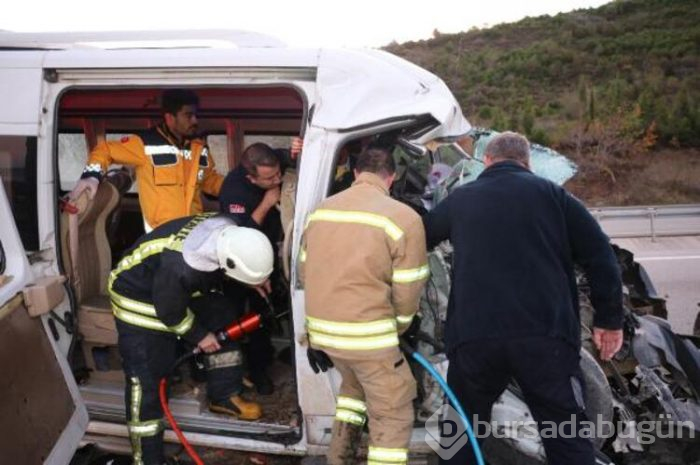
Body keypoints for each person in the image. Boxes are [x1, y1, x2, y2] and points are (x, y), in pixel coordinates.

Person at [422, 132, 624, 465]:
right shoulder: (555, 197)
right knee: (565, 433)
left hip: (476, 339)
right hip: (544, 338)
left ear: (487, 160)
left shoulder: (462, 199)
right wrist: (609, 321)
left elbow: (420, 236)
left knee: (462, 433)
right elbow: (601, 256)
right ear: (527, 162)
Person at [299, 144, 430, 465]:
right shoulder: (405, 218)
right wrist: (397, 328)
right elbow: (408, 287)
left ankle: (338, 458)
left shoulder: (321, 211)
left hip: (324, 336)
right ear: (392, 177)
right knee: (393, 411)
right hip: (370, 339)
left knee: (354, 389)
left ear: (356, 173)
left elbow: (304, 270)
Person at [109, 213, 273, 465]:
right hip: (137, 298)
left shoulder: (233, 229)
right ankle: (147, 458)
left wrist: (253, 278)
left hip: (169, 290)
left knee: (222, 312)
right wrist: (200, 335)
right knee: (147, 381)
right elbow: (169, 311)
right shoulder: (182, 266)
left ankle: (224, 396)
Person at [69, 89, 224, 232]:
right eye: (188, 115)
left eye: (195, 115)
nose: (195, 120)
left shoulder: (199, 147)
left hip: (193, 233)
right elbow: (105, 150)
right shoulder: (144, 144)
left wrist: (239, 187)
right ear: (170, 118)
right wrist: (91, 176)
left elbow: (209, 180)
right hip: (160, 236)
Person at [218, 142, 285, 394]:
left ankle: (262, 365)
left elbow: (290, 154)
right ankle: (234, 375)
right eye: (270, 178)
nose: (277, 179)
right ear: (251, 178)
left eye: (278, 173)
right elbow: (241, 235)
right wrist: (267, 203)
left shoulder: (273, 161)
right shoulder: (233, 191)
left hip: (267, 253)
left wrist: (296, 150)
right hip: (238, 262)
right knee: (234, 316)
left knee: (264, 316)